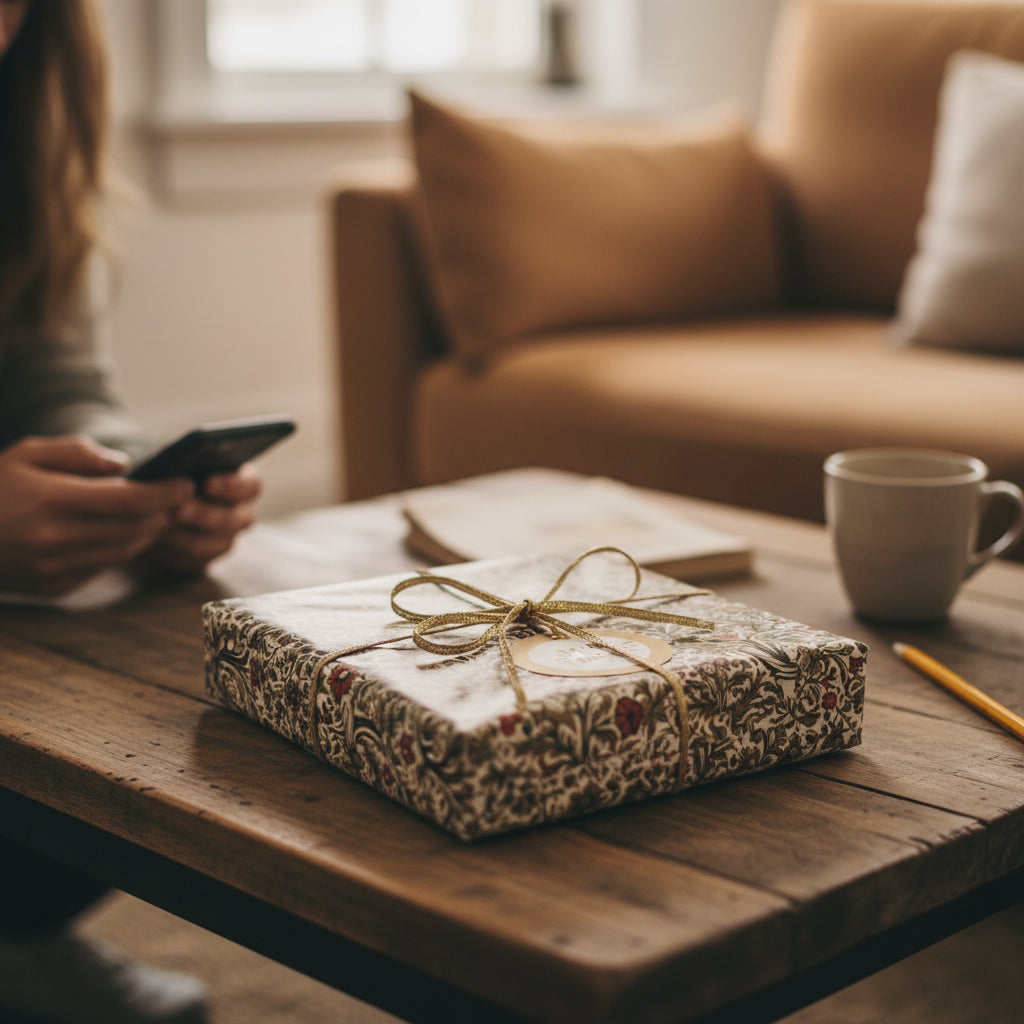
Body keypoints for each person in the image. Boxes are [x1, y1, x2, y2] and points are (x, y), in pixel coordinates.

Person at [1, 1, 259, 1020]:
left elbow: (54, 380)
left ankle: (20, 946)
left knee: (133, 719)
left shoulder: (23, 120)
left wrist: (131, 484)